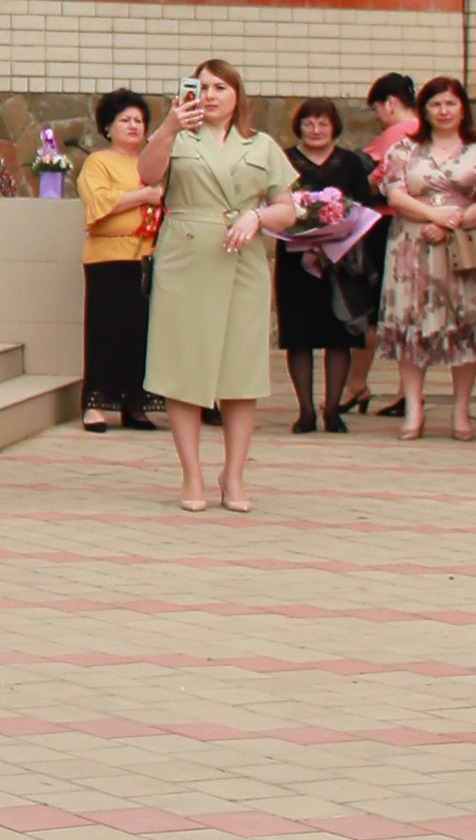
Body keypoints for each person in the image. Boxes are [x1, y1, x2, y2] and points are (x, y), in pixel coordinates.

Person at [139, 60, 308, 513]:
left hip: (242, 257)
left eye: (221, 87)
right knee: (184, 369)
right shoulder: (178, 138)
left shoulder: (260, 144)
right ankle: (191, 474)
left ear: (238, 94)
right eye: (204, 86)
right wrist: (169, 126)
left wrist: (257, 215)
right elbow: (147, 175)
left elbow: (288, 209)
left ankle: (232, 475)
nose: (210, 95)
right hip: (187, 257)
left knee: (240, 373)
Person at [375, 74, 476, 438]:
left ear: (463, 107)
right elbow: (396, 195)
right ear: (424, 110)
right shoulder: (404, 148)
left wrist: (453, 223)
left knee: (464, 326)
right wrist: (435, 217)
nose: (444, 110)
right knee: (410, 324)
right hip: (411, 247)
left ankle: (461, 412)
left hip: (462, 247)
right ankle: (413, 410)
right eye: (436, 104)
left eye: (451, 103)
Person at [276, 100, 375, 435]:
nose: (316, 130)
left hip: (340, 261)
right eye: (309, 124)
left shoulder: (349, 162)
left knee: (339, 335)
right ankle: (305, 410)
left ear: (334, 127)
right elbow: (272, 200)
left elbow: (362, 204)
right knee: (299, 335)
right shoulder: (285, 160)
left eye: (322, 124)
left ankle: (332, 410)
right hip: (295, 261)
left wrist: (337, 230)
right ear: (298, 126)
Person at [75, 91, 161, 430]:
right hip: (107, 259)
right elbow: (98, 202)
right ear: (108, 127)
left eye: (139, 120)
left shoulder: (153, 162)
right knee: (105, 331)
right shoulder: (99, 162)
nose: (133, 126)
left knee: (141, 334)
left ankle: (134, 403)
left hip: (147, 257)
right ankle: (95, 404)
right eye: (125, 120)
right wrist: (143, 195)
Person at [360, 73, 428, 415]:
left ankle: (358, 385)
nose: (378, 116)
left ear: (389, 103)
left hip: (389, 224)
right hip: (425, 224)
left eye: (377, 108)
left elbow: (372, 182)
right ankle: (408, 392)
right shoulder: (426, 131)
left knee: (382, 310)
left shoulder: (396, 135)